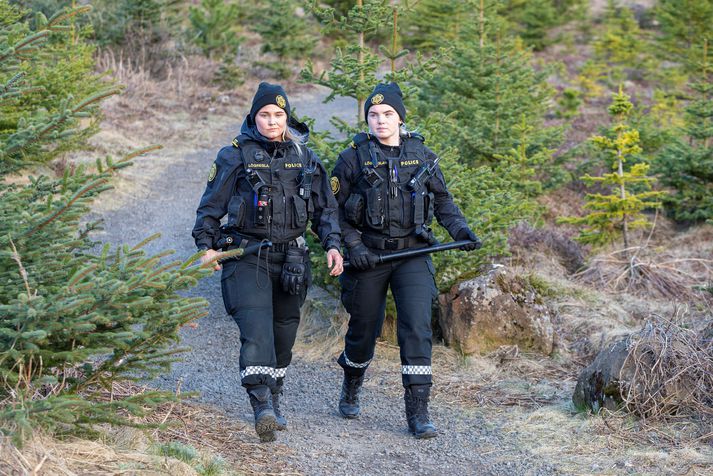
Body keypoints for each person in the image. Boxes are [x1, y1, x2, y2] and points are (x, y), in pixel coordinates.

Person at [193, 82, 343, 443]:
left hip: (292, 259)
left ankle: (274, 398)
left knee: (284, 335)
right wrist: (206, 246)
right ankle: (261, 405)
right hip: (246, 257)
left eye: (278, 114)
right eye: (265, 115)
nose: (272, 121)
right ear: (253, 117)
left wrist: (333, 245)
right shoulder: (234, 156)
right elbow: (210, 208)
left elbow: (326, 210)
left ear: (287, 117)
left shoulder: (306, 157)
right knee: (256, 330)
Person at [330, 82, 482, 439]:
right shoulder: (352, 158)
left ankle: (418, 411)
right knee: (364, 329)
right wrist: (355, 248)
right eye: (373, 115)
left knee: (416, 327)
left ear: (400, 118)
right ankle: (352, 381)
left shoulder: (422, 155)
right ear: (366, 119)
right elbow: (333, 212)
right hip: (369, 255)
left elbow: (443, 203)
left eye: (387, 114)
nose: (380, 121)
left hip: (413, 253)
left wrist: (460, 231)